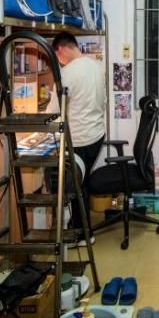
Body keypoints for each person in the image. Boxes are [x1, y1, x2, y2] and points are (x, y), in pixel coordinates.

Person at [45, 32, 106, 244]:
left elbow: (53, 111)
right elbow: (102, 101)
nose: (58, 60)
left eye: (56, 56)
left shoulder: (66, 73)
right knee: (82, 182)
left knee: (75, 187)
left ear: (61, 49)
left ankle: (82, 234)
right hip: (96, 135)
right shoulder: (96, 67)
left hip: (79, 139)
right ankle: (81, 229)